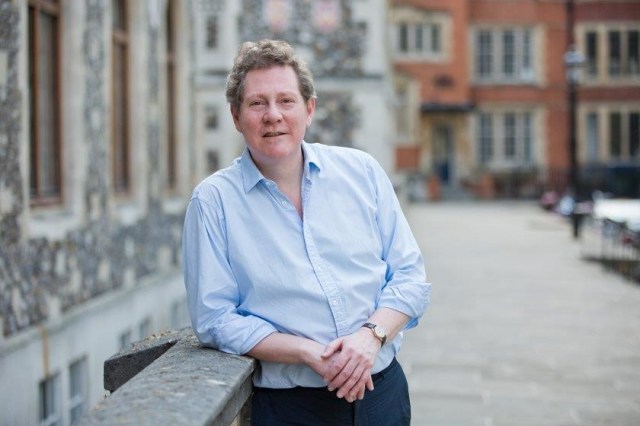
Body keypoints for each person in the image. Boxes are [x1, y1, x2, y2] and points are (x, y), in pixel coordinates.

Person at [182, 39, 430, 425]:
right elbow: (215, 318)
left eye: (286, 100)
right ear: (236, 116)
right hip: (290, 408)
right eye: (257, 103)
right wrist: (307, 353)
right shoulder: (213, 202)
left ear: (309, 109)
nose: (273, 115)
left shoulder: (362, 172)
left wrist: (370, 337)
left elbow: (410, 276)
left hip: (382, 395)